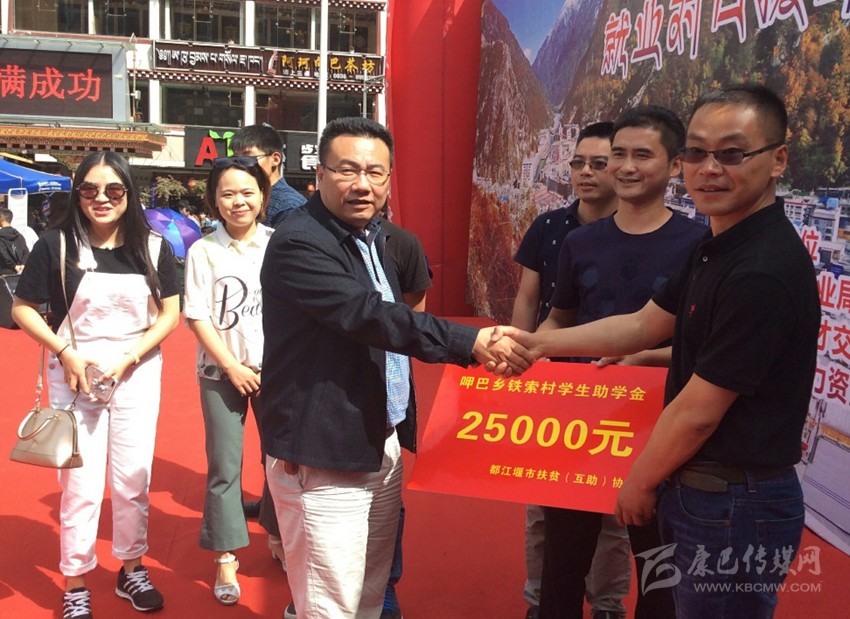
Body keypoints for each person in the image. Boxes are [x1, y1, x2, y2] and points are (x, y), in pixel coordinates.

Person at [496, 84, 818, 618]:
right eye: (698, 152)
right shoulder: (716, 248)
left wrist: (639, 481)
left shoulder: (760, 269)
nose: (709, 169)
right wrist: (536, 342)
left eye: (732, 153)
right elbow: (642, 325)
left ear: (777, 159)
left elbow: (698, 411)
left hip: (730, 497)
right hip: (695, 483)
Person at [260, 116, 532, 619]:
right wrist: (470, 342)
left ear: (389, 179)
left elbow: (397, 316)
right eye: (347, 170)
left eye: (375, 173)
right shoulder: (300, 241)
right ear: (319, 175)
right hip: (323, 449)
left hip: (377, 438)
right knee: (329, 603)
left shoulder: (373, 237)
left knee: (370, 589)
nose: (362, 184)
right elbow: (369, 316)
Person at [536, 106, 706, 619]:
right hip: (583, 424)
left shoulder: (699, 245)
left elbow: (706, 347)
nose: (627, 167)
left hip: (662, 426)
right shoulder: (580, 242)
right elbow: (559, 319)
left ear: (674, 165)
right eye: (619, 155)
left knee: (658, 566)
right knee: (562, 560)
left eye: (643, 155)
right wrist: (529, 353)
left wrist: (647, 358)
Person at [11, 151, 180, 619]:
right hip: (74, 377)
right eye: (89, 189)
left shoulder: (153, 247)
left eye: (113, 189)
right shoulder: (57, 244)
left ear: (129, 192)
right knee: (80, 485)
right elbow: (23, 308)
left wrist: (130, 357)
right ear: (77, 192)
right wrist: (65, 351)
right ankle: (76, 580)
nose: (101, 198)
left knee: (133, 480)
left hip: (136, 373)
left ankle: (131, 567)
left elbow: (170, 313)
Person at [511, 122, 631, 619]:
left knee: (612, 509)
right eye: (578, 162)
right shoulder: (549, 227)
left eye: (598, 164)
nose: (585, 172)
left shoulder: (639, 232)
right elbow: (528, 297)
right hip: (553, 379)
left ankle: (607, 603)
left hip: (619, 386)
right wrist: (518, 360)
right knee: (543, 500)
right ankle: (540, 599)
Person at [182, 156, 273, 605]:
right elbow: (196, 315)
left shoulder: (279, 244)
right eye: (228, 193)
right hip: (220, 373)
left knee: (282, 461)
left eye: (247, 192)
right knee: (224, 465)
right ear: (214, 200)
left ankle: (279, 534)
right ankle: (225, 555)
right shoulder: (203, 251)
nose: (239, 201)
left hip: (276, 372)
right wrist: (232, 365)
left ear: (262, 196)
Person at [231, 123, 306, 228]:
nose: (241, 164)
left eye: (248, 158)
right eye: (236, 159)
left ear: (275, 159)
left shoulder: (289, 206)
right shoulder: (243, 199)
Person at [0, 206, 30, 274]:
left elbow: (3, 254)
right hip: (19, 274)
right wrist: (23, 265)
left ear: (1, 219)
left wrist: (14, 266)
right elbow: (26, 253)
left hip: (3, 273)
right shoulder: (19, 236)